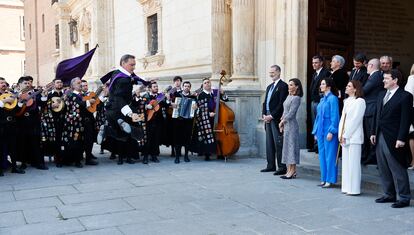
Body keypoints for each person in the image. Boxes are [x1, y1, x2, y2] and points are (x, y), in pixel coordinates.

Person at [370, 71, 413, 208]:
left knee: (397, 167)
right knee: (383, 167)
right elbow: (376, 115)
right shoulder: (381, 94)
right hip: (380, 135)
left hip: (395, 138)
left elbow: (406, 120)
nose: (383, 81)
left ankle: (404, 197)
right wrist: (373, 132)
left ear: (395, 80)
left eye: (386, 79)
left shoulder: (405, 96)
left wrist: (401, 138)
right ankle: (389, 194)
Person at [103, 54, 150, 164]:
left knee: (124, 135)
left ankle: (125, 157)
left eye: (134, 65)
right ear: (123, 63)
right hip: (121, 109)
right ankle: (108, 131)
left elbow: (134, 79)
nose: (133, 67)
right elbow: (119, 97)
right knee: (131, 132)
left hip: (115, 108)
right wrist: (129, 113)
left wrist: (146, 82)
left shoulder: (118, 73)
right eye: (131, 65)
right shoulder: (122, 80)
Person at [339, 80, 366, 195]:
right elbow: (342, 119)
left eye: (349, 86)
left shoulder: (360, 101)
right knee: (346, 164)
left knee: (354, 164)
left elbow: (356, 120)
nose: (346, 87)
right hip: (345, 136)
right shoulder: (346, 101)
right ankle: (346, 187)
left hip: (354, 136)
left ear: (355, 89)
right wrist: (340, 134)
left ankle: (354, 189)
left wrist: (346, 134)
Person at [260, 65, 288, 175]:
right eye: (270, 72)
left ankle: (281, 167)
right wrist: (264, 115)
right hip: (267, 117)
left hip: (275, 118)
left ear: (279, 72)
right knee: (269, 142)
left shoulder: (283, 86)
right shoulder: (269, 87)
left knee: (278, 142)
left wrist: (271, 116)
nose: (271, 74)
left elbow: (281, 104)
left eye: (273, 72)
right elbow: (265, 102)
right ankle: (270, 165)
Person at [191, 78, 228, 161]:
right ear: (203, 85)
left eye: (208, 82)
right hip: (206, 118)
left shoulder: (215, 92)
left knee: (217, 135)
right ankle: (207, 154)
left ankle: (219, 153)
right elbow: (200, 108)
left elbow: (226, 99)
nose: (207, 84)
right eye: (205, 83)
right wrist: (208, 114)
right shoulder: (200, 95)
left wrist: (223, 93)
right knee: (208, 135)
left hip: (218, 116)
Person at [312, 78, 339, 188]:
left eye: (323, 84)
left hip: (329, 131)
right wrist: (315, 132)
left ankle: (330, 179)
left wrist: (332, 131)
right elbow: (318, 117)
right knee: (322, 156)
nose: (321, 85)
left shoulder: (333, 99)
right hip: (320, 131)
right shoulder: (322, 99)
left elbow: (335, 116)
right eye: (321, 84)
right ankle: (324, 179)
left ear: (329, 86)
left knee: (330, 156)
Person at [0, 77, 25, 175]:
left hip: (11, 125)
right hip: (1, 125)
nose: (3, 84)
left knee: (13, 146)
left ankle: (14, 167)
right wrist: (5, 101)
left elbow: (17, 111)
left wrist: (18, 102)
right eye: (1, 83)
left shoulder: (10, 95)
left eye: (4, 83)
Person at [361, 58, 384, 165]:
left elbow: (364, 90)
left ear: (371, 65)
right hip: (369, 108)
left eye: (368, 65)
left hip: (371, 108)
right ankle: (368, 155)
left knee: (371, 133)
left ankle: (372, 156)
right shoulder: (375, 75)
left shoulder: (375, 76)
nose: (366, 67)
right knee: (368, 133)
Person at [279, 78, 303, 179]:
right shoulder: (289, 96)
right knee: (287, 148)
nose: (289, 86)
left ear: (297, 86)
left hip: (292, 125)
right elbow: (285, 110)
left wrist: (282, 121)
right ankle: (289, 170)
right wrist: (282, 121)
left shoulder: (297, 98)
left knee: (292, 148)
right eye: (289, 84)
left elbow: (291, 113)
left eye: (292, 85)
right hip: (286, 124)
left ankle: (292, 171)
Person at [309, 55, 331, 153]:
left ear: (321, 63)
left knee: (320, 123)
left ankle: (319, 145)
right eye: (313, 63)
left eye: (316, 62)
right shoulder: (315, 74)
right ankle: (315, 145)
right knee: (315, 123)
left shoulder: (325, 73)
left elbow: (325, 88)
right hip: (314, 101)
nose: (314, 64)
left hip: (320, 101)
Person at [172, 81, 197, 163]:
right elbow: (169, 102)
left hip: (188, 120)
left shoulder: (193, 97)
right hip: (178, 120)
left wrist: (195, 107)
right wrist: (172, 104)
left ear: (190, 88)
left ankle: (186, 156)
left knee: (187, 138)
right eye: (185, 86)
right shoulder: (177, 95)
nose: (186, 87)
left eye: (188, 86)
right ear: (183, 87)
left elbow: (196, 107)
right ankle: (177, 157)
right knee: (177, 138)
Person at [405, 64, 414, 169]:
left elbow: (409, 94)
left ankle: (413, 161)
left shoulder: (412, 78)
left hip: (412, 108)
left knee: (412, 135)